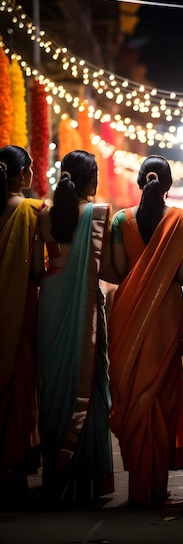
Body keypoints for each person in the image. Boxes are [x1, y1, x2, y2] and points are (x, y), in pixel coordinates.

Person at [107, 155, 183, 507]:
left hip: (127, 314)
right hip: (166, 316)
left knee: (132, 390)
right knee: (162, 394)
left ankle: (139, 484)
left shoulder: (120, 220)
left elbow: (116, 273)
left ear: (139, 184)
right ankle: (156, 485)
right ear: (169, 185)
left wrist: (139, 273)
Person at [36, 150, 119, 504]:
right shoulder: (99, 214)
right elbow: (111, 272)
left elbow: (36, 271)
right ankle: (86, 477)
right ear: (93, 181)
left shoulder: (43, 215)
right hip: (86, 304)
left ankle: (56, 474)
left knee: (53, 384)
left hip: (51, 302)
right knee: (91, 382)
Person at [0, 145, 46, 505]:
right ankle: (14, 472)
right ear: (24, 174)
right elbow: (35, 270)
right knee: (19, 383)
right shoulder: (31, 210)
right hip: (20, 309)